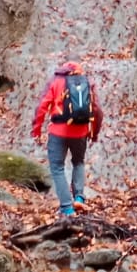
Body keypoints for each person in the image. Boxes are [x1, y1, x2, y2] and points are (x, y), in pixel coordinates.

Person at [29, 60, 104, 217]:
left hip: (58, 132)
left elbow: (42, 106)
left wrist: (36, 130)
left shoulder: (56, 81)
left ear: (63, 69)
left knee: (57, 168)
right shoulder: (86, 81)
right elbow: (97, 110)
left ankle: (67, 208)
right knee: (78, 162)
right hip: (81, 132)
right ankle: (79, 198)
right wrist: (94, 133)